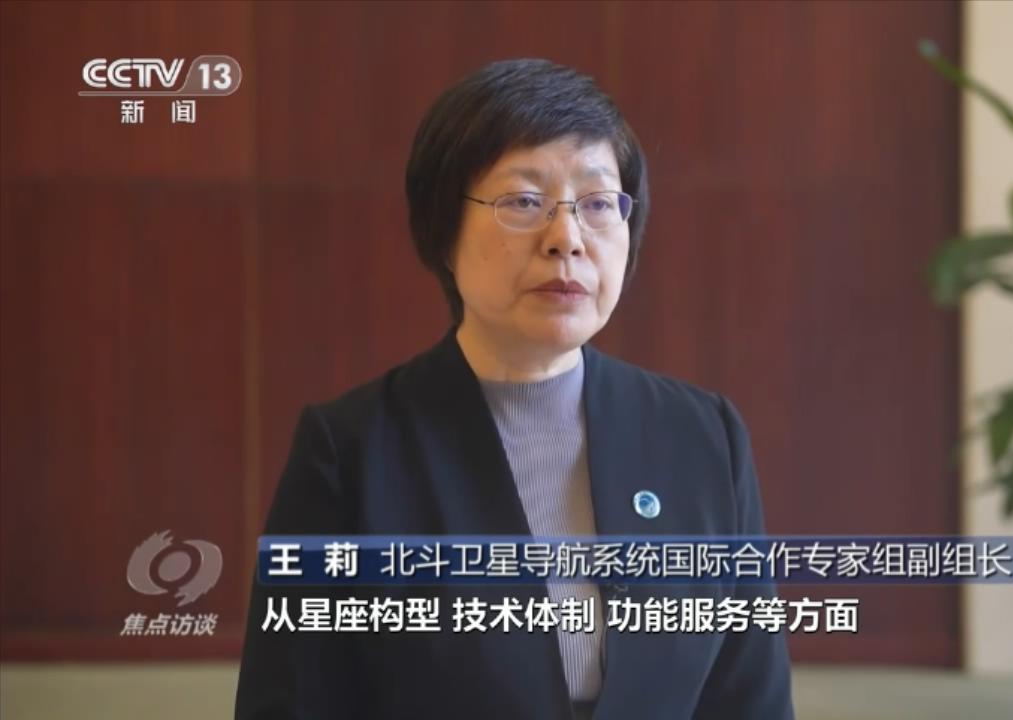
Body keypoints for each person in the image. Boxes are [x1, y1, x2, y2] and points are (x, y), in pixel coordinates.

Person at [234, 57, 794, 720]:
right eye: (524, 202)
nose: (567, 239)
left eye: (597, 205)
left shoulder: (703, 438)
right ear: (444, 230)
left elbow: (749, 702)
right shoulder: (351, 452)